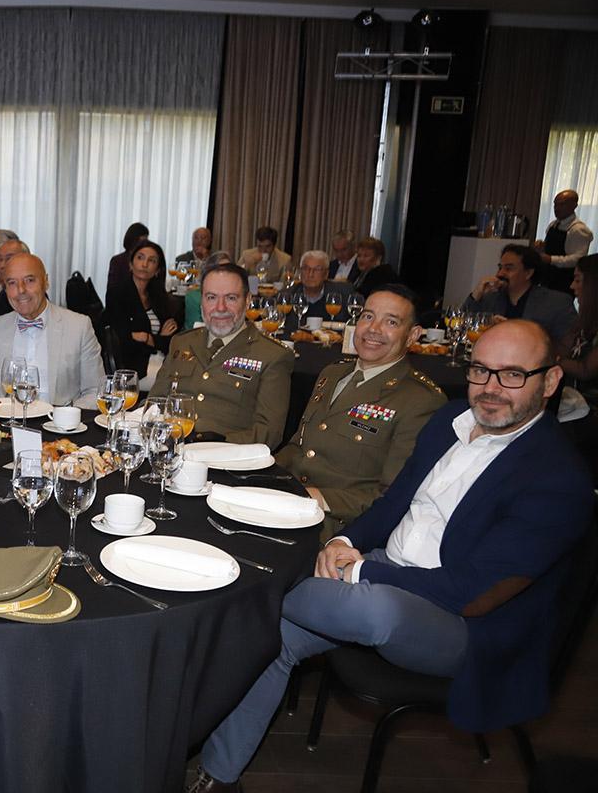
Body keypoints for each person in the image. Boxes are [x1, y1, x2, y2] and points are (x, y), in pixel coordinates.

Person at [188, 319, 591, 793]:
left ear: (550, 380)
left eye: (512, 375)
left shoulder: (558, 478)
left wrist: (362, 569)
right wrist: (344, 543)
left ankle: (238, 592)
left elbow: (473, 593)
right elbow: (392, 503)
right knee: (268, 637)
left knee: (368, 605)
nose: (491, 388)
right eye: (481, 371)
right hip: (385, 568)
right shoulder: (450, 421)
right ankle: (219, 774)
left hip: (464, 624)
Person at [274, 285, 446, 539]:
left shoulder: (419, 400)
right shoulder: (332, 374)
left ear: (412, 335)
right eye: (368, 316)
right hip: (285, 501)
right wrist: (263, 476)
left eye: (391, 322)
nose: (374, 329)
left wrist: (318, 498)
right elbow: (298, 447)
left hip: (336, 526)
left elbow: (394, 497)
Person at [150, 264, 293, 449]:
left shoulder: (272, 356)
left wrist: (214, 446)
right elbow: (155, 403)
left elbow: (268, 434)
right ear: (201, 301)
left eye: (231, 298)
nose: (220, 307)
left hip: (226, 463)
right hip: (167, 451)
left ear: (248, 300)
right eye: (211, 297)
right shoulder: (181, 342)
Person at [0, 253, 104, 408]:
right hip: (7, 425)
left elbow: (95, 390)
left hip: (60, 428)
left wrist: (64, 419)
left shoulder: (79, 326)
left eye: (29, 280)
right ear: (5, 289)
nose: (21, 290)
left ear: (45, 282)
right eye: (12, 283)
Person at [463, 243, 576, 344]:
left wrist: (514, 329)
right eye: (500, 267)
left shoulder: (556, 302)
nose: (500, 273)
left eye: (508, 269)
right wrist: (476, 294)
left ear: (528, 273)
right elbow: (460, 327)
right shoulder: (491, 297)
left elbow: (567, 345)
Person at [104, 239, 179, 378]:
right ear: (131, 264)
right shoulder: (117, 294)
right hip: (132, 365)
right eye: (140, 258)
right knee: (175, 378)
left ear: (157, 270)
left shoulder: (160, 297)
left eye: (152, 260)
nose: (145, 264)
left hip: (159, 359)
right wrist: (159, 339)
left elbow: (172, 340)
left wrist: (146, 337)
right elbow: (123, 341)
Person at [559, 254, 598, 404]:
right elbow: (563, 347)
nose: (572, 286)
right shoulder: (584, 320)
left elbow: (585, 370)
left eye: (577, 280)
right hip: (574, 403)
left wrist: (551, 358)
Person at [537, 189, 594, 292]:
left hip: (564, 282)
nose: (557, 208)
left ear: (574, 205)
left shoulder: (579, 229)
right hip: (547, 278)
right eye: (555, 204)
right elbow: (553, 247)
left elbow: (578, 259)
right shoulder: (553, 225)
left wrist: (551, 259)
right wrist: (542, 246)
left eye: (562, 204)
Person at [283, 250, 353, 329]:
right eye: (306, 268)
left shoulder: (343, 295)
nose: (310, 274)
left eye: (317, 269)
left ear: (326, 274)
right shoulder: (288, 295)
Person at [106, 222, 151, 292]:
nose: (145, 245)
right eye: (142, 242)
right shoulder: (118, 261)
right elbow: (112, 291)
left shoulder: (148, 261)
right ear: (133, 241)